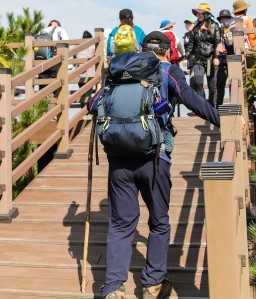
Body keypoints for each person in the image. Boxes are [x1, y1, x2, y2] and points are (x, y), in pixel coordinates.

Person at [90, 31, 220, 299]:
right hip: (154, 159)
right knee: (159, 222)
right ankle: (152, 285)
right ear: (168, 50)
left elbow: (94, 105)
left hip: (119, 161)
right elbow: (189, 98)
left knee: (120, 225)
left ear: (143, 48)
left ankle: (114, 287)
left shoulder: (122, 72)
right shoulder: (168, 71)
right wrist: (221, 119)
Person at [184, 3, 221, 108]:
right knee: (197, 81)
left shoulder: (215, 26)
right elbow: (191, 44)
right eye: (197, 13)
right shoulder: (195, 28)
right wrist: (186, 57)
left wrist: (217, 57)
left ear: (207, 14)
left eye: (201, 13)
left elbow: (217, 43)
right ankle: (203, 106)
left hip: (211, 59)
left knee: (212, 86)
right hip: (198, 60)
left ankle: (213, 107)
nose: (198, 15)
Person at [214, 9, 235, 107]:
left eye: (226, 18)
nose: (224, 20)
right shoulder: (218, 30)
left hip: (233, 56)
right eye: (222, 18)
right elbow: (217, 43)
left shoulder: (234, 28)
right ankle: (219, 106)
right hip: (222, 58)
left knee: (235, 82)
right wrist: (216, 56)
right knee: (220, 84)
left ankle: (234, 104)